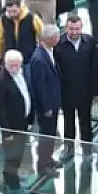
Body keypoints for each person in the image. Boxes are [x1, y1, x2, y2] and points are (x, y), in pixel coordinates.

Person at [0, 49, 34, 190]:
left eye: (17, 65)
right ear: (5, 63)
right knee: (12, 156)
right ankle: (12, 184)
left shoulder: (21, 74)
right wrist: (6, 132)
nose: (14, 68)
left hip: (22, 122)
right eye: (11, 65)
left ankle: (13, 176)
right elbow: (0, 110)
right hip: (11, 127)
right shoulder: (0, 81)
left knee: (19, 153)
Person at [55, 13, 95, 145]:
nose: (74, 32)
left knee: (86, 121)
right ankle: (69, 148)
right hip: (66, 91)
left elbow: (94, 66)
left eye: (77, 29)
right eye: (71, 29)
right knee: (68, 122)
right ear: (66, 28)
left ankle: (87, 148)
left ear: (81, 27)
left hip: (85, 91)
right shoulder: (58, 43)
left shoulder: (89, 41)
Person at [29, 25, 64, 169]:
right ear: (49, 39)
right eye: (56, 37)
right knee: (46, 134)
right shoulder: (39, 59)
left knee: (51, 133)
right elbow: (40, 86)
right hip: (47, 106)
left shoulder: (48, 52)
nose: (58, 39)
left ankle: (48, 159)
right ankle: (43, 164)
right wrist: (46, 107)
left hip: (53, 102)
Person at [0, 0, 43, 64]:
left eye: (14, 11)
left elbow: (42, 35)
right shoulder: (2, 20)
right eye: (9, 12)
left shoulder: (32, 18)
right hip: (11, 59)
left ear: (20, 7)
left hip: (29, 57)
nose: (12, 14)